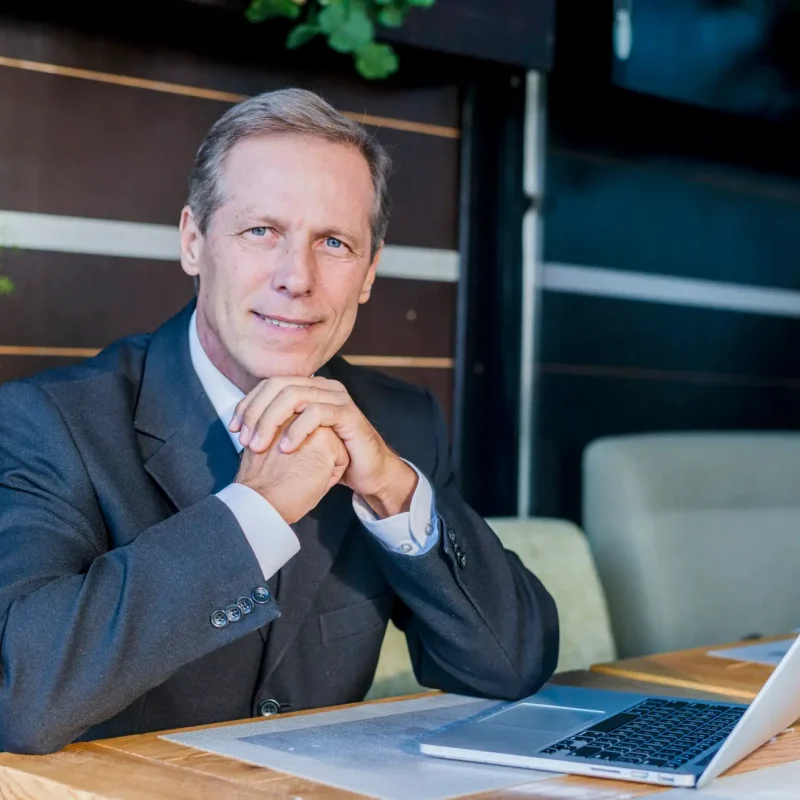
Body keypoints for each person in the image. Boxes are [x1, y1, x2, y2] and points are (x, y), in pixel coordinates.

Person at [0, 88, 558, 754]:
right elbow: (21, 699)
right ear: (194, 242)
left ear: (370, 273)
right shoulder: (50, 422)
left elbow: (510, 664)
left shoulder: (397, 423)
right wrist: (256, 510)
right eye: (261, 231)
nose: (298, 277)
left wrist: (392, 490)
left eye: (334, 242)